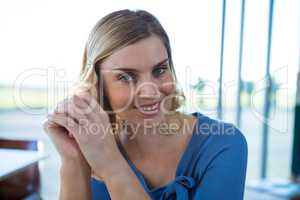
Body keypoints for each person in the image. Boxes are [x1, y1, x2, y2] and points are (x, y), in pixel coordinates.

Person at [43, 9, 248, 200]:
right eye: (125, 76)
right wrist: (73, 160)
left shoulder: (224, 143)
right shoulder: (93, 145)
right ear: (98, 85)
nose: (150, 92)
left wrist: (111, 165)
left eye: (159, 70)